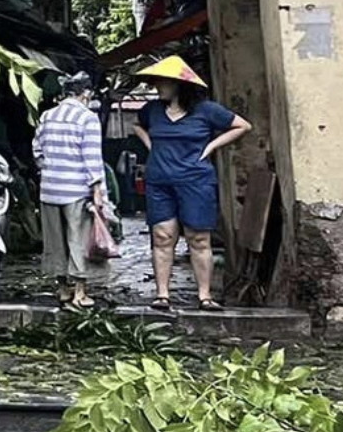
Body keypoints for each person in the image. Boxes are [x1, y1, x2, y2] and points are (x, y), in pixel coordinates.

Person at [131, 57, 252, 312]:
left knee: (199, 238)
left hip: (196, 181)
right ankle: (162, 294)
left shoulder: (206, 110)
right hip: (159, 181)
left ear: (179, 84)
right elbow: (137, 125)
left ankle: (205, 296)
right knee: (162, 237)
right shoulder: (152, 110)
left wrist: (211, 147)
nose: (157, 86)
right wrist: (151, 146)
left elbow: (242, 125)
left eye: (163, 81)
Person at [31, 72, 105, 309]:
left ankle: (62, 288)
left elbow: (37, 151)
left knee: (55, 241)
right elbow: (92, 159)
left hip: (50, 188)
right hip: (76, 189)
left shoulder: (47, 116)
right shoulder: (88, 118)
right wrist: (98, 191)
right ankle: (80, 292)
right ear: (86, 94)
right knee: (78, 239)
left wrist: (50, 170)